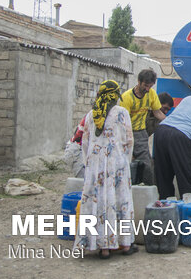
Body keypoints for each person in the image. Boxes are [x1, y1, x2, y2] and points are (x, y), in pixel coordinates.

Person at [74, 80, 137, 259]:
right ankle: (124, 245)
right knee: (120, 201)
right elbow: (129, 140)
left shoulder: (91, 115)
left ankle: (102, 247)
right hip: (117, 163)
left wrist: (90, 163)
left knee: (98, 202)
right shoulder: (122, 113)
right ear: (115, 96)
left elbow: (85, 142)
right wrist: (125, 159)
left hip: (95, 165)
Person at [120, 69, 166, 185]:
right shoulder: (126, 98)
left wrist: (170, 122)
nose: (147, 89)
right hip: (125, 133)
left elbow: (157, 113)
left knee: (147, 165)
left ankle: (149, 188)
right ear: (139, 81)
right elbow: (122, 123)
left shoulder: (151, 94)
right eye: (145, 85)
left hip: (141, 134)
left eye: (150, 86)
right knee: (125, 164)